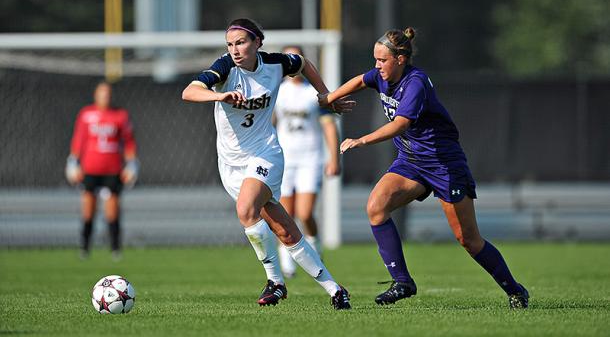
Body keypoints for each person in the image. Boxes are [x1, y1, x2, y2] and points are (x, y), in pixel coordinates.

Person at [318, 27, 529, 309]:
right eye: (375, 59)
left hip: (443, 164)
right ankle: (402, 282)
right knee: (376, 207)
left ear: (401, 59)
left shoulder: (415, 82)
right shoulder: (381, 76)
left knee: (468, 240)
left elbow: (401, 124)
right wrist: (329, 98)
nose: (377, 66)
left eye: (382, 60)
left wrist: (361, 140)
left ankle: (515, 290)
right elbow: (359, 80)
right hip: (411, 161)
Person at [181, 18, 354, 309]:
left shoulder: (275, 64)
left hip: (265, 153)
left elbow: (303, 63)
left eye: (241, 42)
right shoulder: (224, 68)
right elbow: (189, 91)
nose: (235, 50)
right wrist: (219, 94)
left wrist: (325, 96)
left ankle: (275, 282)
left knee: (246, 209)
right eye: (230, 44)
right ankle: (335, 289)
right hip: (230, 163)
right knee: (283, 230)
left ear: (257, 42)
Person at [274, 46, 341, 278]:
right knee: (285, 212)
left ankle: (315, 246)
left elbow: (329, 126)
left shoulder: (313, 92)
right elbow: (270, 122)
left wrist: (334, 158)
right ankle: (287, 261)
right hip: (284, 158)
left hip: (310, 158)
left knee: (305, 212)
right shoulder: (277, 91)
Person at [66, 82, 139, 261]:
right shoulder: (86, 114)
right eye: (102, 93)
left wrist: (132, 164)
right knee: (88, 210)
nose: (105, 97)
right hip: (90, 168)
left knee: (112, 211)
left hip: (112, 169)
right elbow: (78, 139)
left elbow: (129, 141)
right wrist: (72, 162)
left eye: (108, 93)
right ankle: (85, 247)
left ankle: (115, 249)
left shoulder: (120, 115)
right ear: (95, 95)